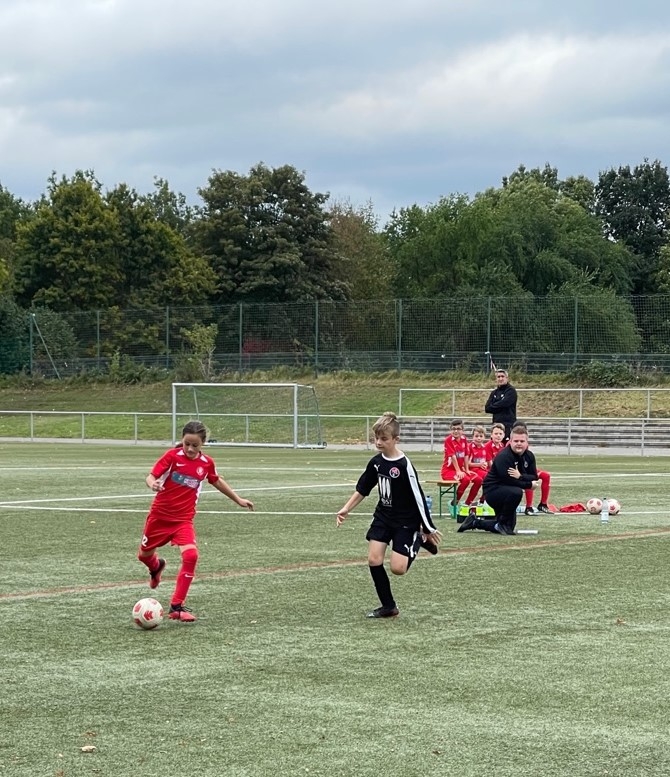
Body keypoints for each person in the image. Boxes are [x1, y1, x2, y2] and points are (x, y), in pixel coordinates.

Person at [137, 420, 254, 622]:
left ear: (202, 445)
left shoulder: (206, 463)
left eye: (195, 445)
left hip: (183, 519)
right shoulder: (172, 457)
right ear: (182, 441)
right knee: (144, 555)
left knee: (191, 555)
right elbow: (151, 475)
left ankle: (177, 607)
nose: (190, 449)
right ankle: (155, 567)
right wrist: (153, 484)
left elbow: (216, 480)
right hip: (159, 517)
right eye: (186, 444)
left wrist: (238, 499)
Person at [336, 412, 442, 619]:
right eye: (376, 438)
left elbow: (418, 497)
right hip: (383, 517)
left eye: (384, 439)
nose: (378, 442)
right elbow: (363, 488)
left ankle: (418, 539)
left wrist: (428, 528)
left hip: (406, 520)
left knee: (398, 569)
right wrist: (346, 508)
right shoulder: (376, 463)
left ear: (396, 439)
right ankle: (388, 606)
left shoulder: (404, 466)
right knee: (374, 559)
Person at [457, 424, 539, 535]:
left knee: (509, 527)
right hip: (493, 491)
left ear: (527, 442)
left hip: (508, 491)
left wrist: (521, 476)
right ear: (510, 441)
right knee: (516, 492)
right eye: (516, 441)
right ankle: (501, 524)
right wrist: (529, 485)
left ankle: (474, 522)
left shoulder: (529, 456)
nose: (519, 443)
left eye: (522, 441)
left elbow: (534, 476)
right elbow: (508, 480)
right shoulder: (504, 456)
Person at [440, 418, 476, 505]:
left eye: (458, 429)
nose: (456, 431)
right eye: (453, 429)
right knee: (466, 480)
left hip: (460, 470)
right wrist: (458, 471)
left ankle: (469, 502)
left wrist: (467, 469)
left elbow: (466, 455)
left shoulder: (464, 439)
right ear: (450, 430)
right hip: (448, 471)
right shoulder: (448, 440)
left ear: (462, 430)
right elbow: (453, 456)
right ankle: (455, 502)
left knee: (478, 479)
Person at [484, 369, 518, 440]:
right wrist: (499, 404)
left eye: (502, 376)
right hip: (496, 426)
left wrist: (494, 405)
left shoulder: (511, 391)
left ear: (507, 378)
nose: (500, 378)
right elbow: (487, 408)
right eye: (498, 377)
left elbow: (505, 404)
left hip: (508, 426)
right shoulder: (494, 392)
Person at [463, 425, 489, 506]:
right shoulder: (470, 447)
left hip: (482, 470)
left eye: (481, 436)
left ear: (484, 437)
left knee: (491, 478)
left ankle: (483, 500)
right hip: (472, 470)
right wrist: (479, 465)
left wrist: (485, 464)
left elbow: (487, 461)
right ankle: (469, 502)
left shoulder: (485, 448)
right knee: (482, 479)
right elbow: (467, 464)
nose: (479, 438)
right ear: (473, 436)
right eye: (476, 436)